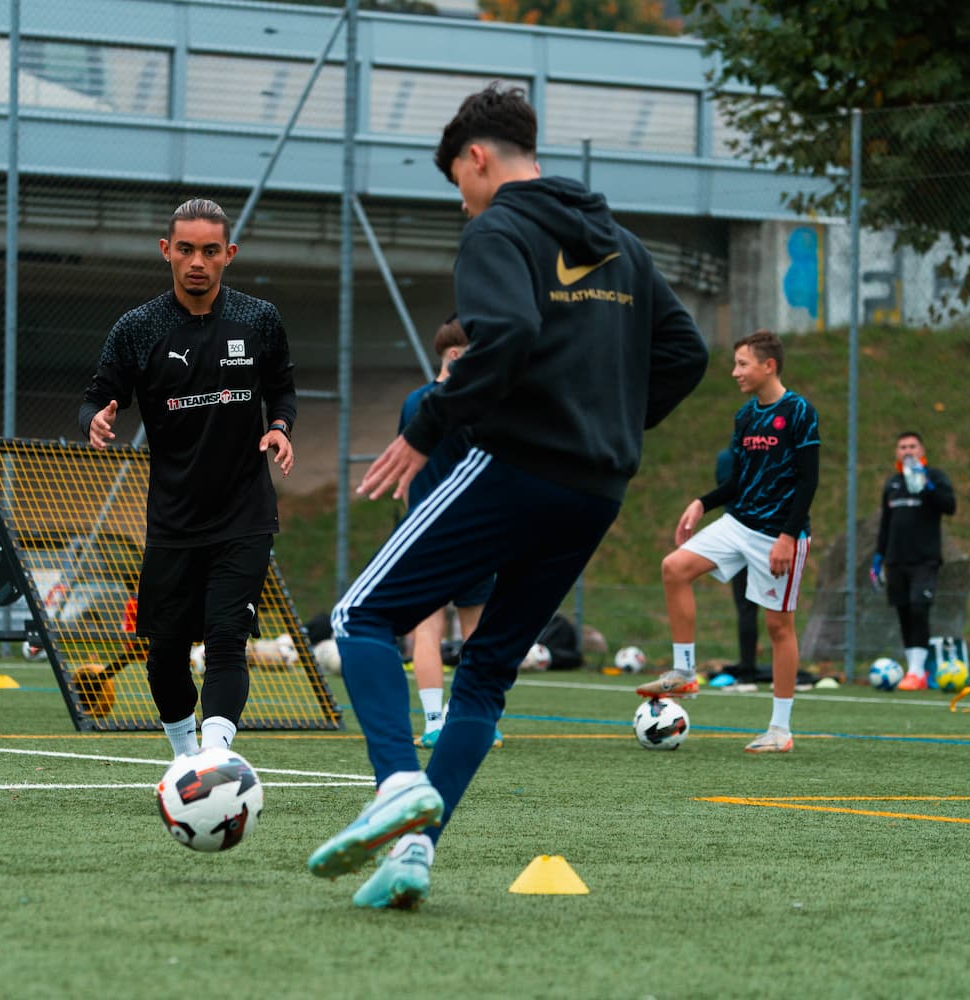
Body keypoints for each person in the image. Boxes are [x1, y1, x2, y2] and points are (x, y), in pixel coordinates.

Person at [306, 84, 708, 910]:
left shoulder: (499, 228)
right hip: (596, 489)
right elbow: (687, 353)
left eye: (458, 178)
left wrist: (430, 425)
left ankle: (394, 785)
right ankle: (414, 853)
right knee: (485, 676)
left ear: (478, 158)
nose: (461, 199)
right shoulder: (622, 247)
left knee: (360, 618)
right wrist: (611, 422)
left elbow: (509, 335)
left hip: (518, 465)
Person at [80, 197, 296, 758]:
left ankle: (217, 757)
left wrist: (280, 426)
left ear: (229, 253)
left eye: (208, 250)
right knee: (165, 653)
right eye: (184, 249)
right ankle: (184, 759)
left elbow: (283, 387)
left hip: (244, 514)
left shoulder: (259, 320)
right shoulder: (137, 329)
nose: (196, 261)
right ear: (166, 252)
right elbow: (97, 398)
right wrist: (98, 418)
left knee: (227, 641)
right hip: (173, 520)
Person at [646, 329, 820, 753]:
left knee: (779, 625)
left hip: (778, 534)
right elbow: (739, 480)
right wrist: (702, 503)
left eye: (742, 363)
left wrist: (787, 536)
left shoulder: (799, 412)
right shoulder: (745, 416)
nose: (734, 371)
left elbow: (808, 480)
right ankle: (684, 674)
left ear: (768, 365)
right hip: (739, 523)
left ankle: (780, 731)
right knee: (674, 568)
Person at [398, 315, 498, 750]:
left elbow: (405, 466)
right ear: (455, 356)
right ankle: (472, 721)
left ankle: (435, 721)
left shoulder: (413, 402)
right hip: (468, 528)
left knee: (428, 627)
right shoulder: (474, 404)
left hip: (422, 526)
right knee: (472, 627)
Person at [870, 431, 956, 690]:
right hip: (896, 560)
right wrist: (878, 558)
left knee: (920, 607)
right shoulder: (892, 485)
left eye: (912, 446)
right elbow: (886, 524)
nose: (907, 451)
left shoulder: (936, 477)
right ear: (897, 452)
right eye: (902, 447)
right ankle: (914, 670)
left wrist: (928, 484)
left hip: (924, 560)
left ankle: (919, 671)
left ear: (922, 450)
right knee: (904, 611)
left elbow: (949, 506)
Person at [716, 446, 762, 681]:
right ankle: (747, 664)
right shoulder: (735, 457)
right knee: (750, 606)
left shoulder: (727, 457)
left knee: (752, 607)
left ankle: (748, 665)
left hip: (753, 537)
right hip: (757, 536)